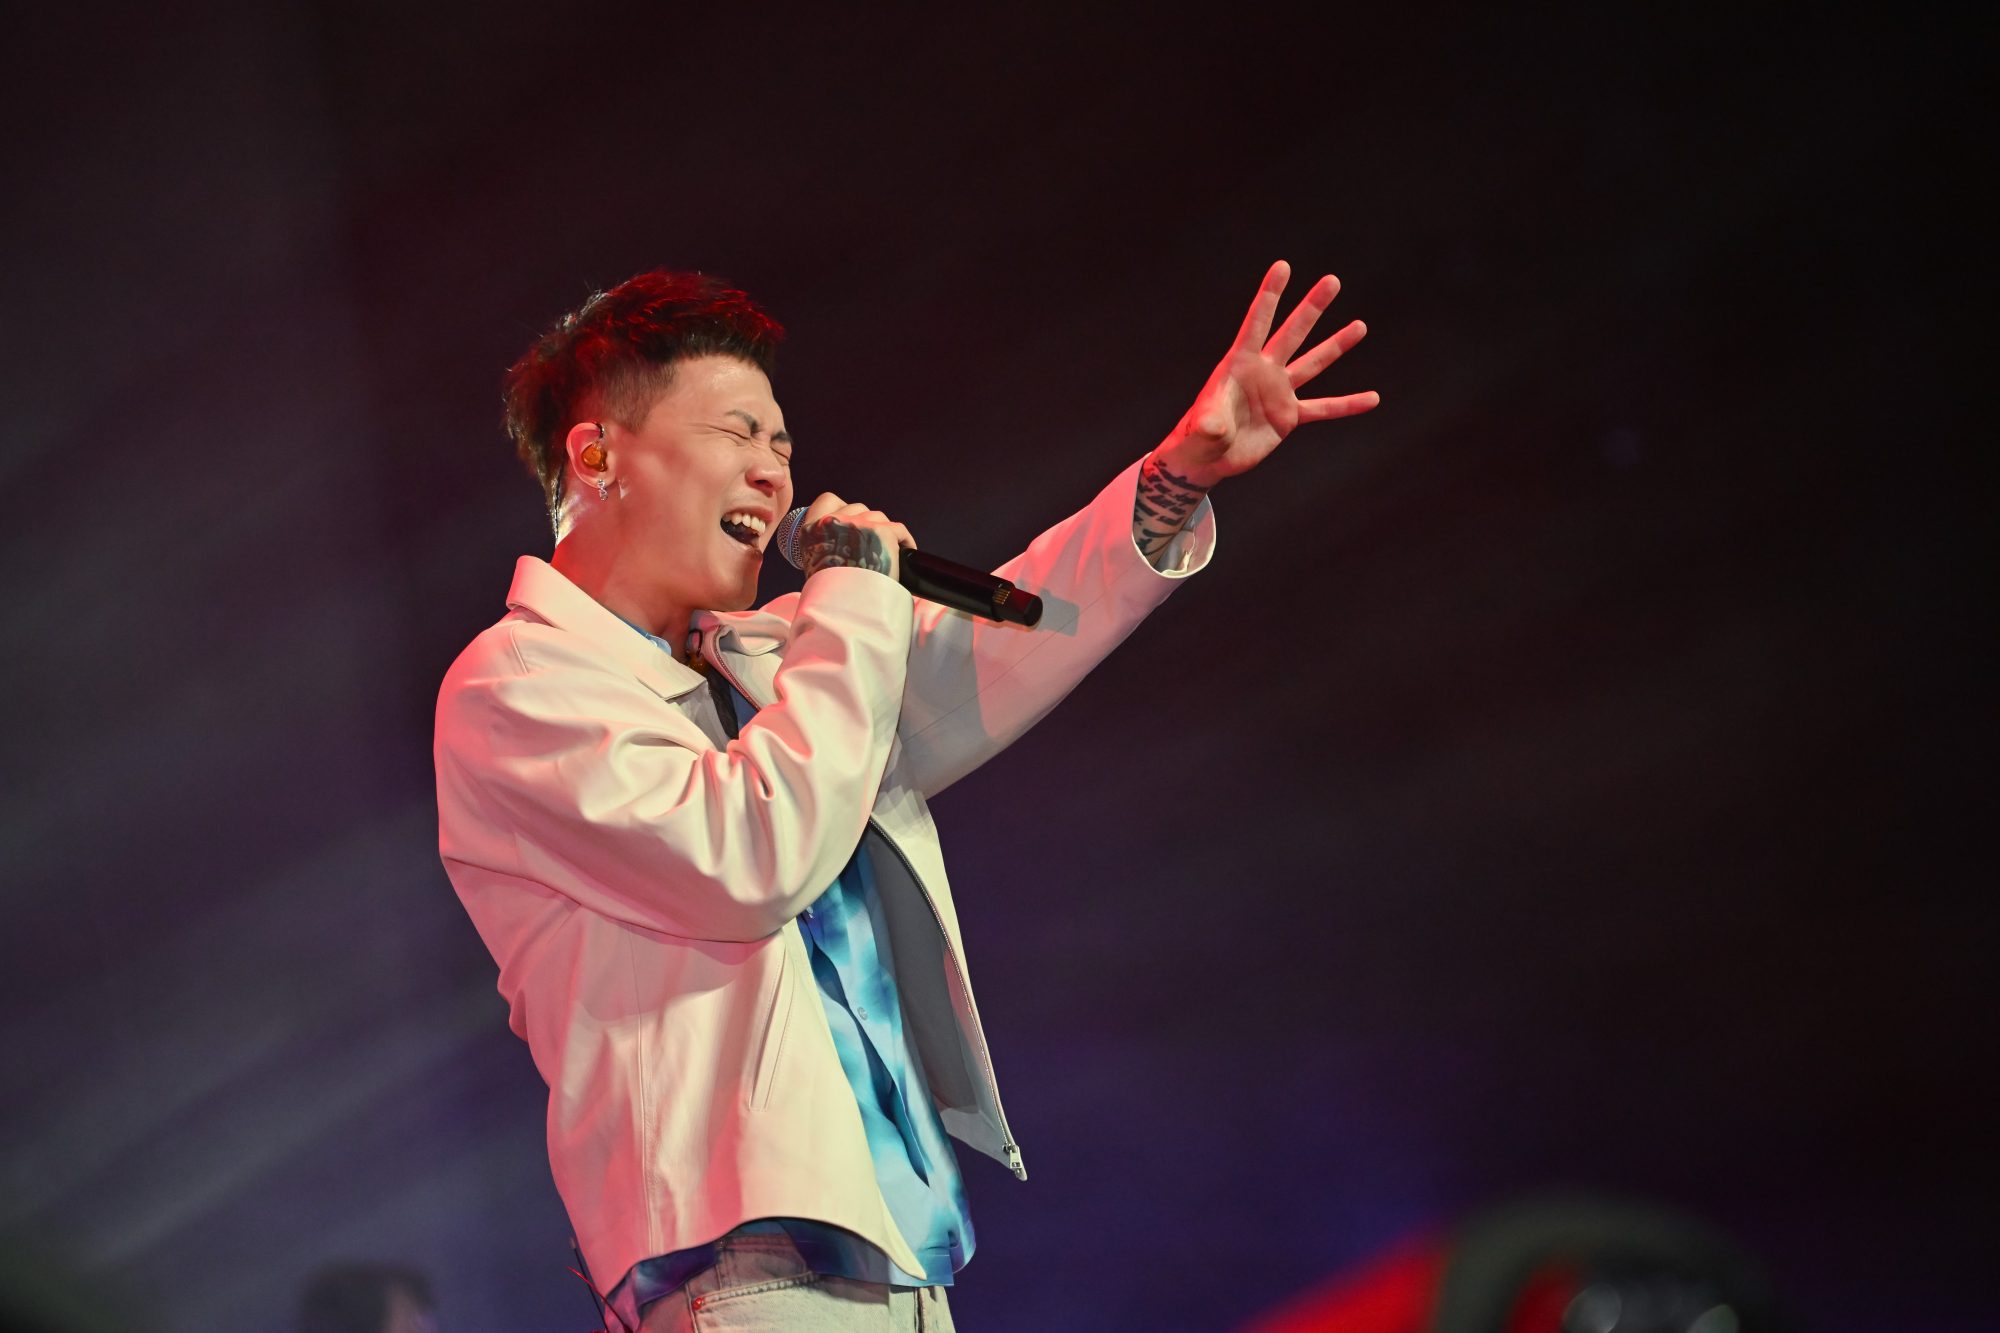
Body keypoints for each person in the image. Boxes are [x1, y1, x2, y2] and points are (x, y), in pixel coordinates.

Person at [433, 261, 1377, 1331]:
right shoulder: (516, 684)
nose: (773, 473)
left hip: (898, 1257)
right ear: (598, 454)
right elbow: (750, 854)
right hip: (744, 1272)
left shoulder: (771, 661)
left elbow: (988, 657)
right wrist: (850, 596)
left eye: (782, 444)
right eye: (738, 433)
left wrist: (1174, 478)